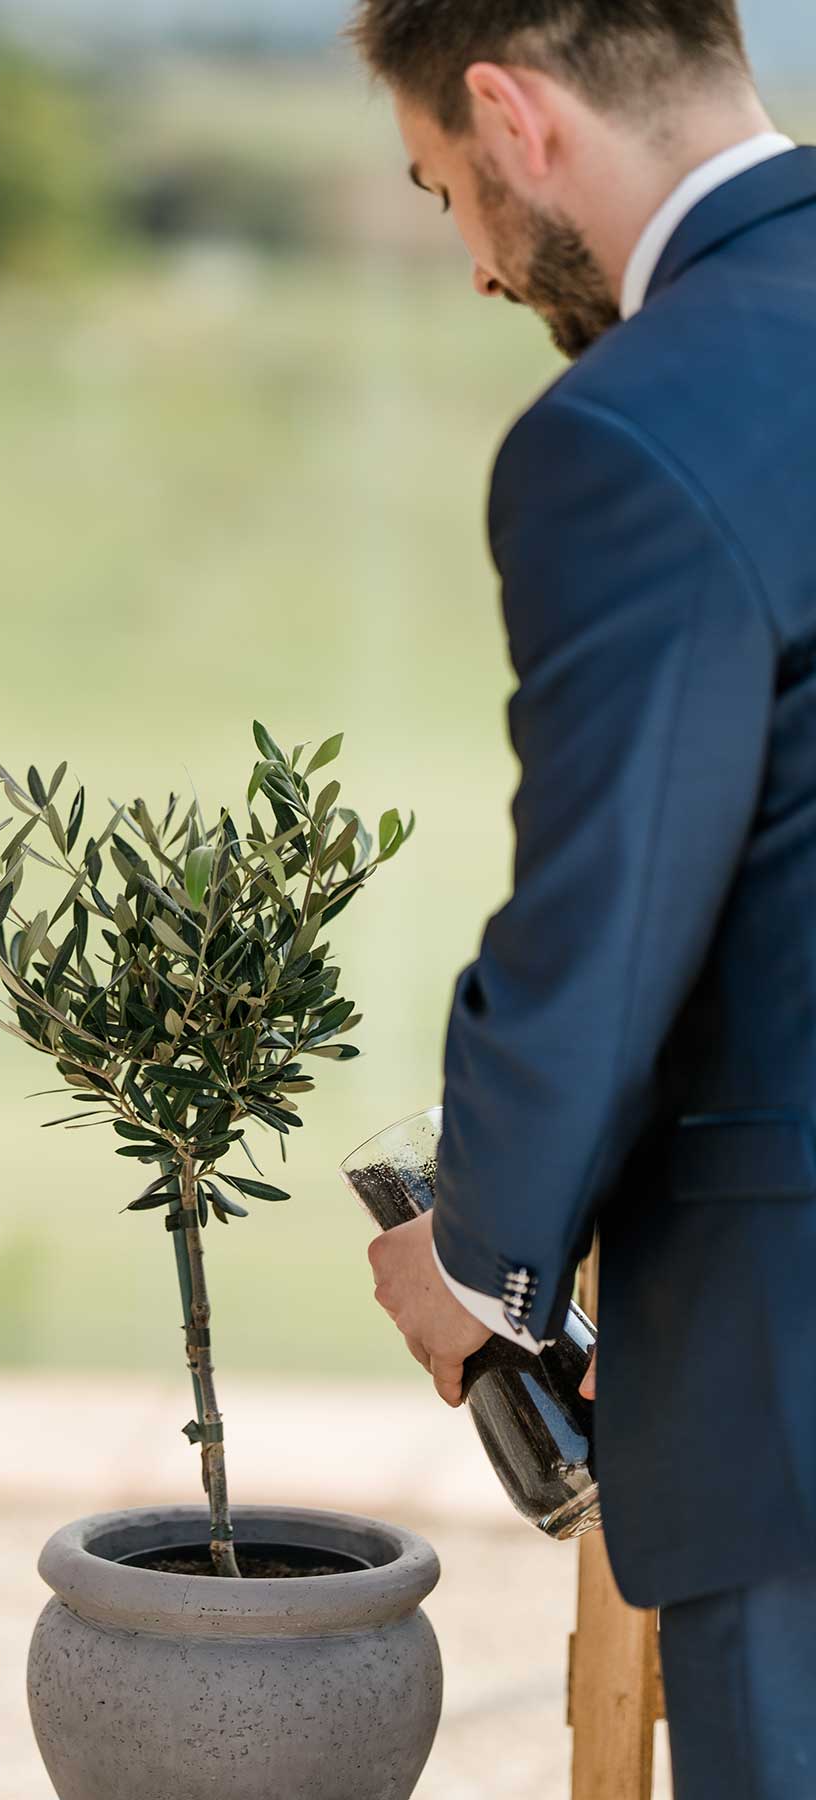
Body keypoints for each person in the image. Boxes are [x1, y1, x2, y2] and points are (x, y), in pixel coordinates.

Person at [347, 3, 816, 1794]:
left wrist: (485, 1262)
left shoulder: (632, 432)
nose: (471, 261)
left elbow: (613, 919)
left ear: (508, 114)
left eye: (441, 188)